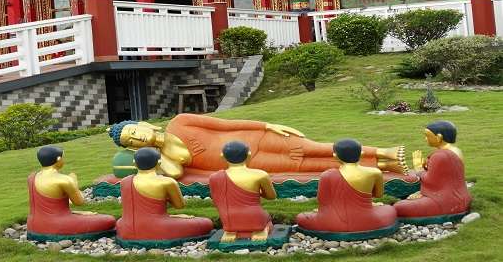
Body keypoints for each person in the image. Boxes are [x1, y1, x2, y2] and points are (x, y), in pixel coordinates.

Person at [107, 115, 408, 181]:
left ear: (145, 125)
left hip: (258, 140)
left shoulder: (181, 123)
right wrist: (153, 157)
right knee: (310, 166)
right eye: (131, 142)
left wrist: (266, 126)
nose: (138, 139)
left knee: (313, 148)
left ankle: (383, 151)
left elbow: (225, 124)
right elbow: (173, 173)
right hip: (249, 163)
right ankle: (382, 167)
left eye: (135, 132)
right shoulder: (164, 158)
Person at [295, 139, 398, 238]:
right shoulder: (374, 172)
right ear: (362, 153)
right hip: (367, 220)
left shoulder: (327, 175)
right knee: (390, 209)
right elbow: (378, 195)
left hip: (332, 223)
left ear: (335, 156)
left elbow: (322, 202)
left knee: (302, 217)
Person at [115, 147, 214, 244]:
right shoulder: (166, 182)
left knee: (114, 221)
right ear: (159, 163)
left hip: (125, 228)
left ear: (134, 163)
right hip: (157, 228)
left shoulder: (125, 181)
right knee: (206, 223)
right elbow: (179, 205)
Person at [27, 146, 116, 240]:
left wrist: (78, 213)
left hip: (33, 223)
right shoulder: (64, 180)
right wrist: (74, 183)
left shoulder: (32, 178)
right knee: (109, 220)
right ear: (59, 159)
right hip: (57, 224)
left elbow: (53, 208)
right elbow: (80, 202)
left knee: (89, 215)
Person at [394, 121, 471, 222]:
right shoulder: (456, 151)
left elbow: (431, 181)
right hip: (460, 195)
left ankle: (446, 212)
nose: (425, 139)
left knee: (398, 207)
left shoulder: (440, 156)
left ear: (439, 137)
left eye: (427, 136)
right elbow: (445, 176)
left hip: (445, 202)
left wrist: (418, 169)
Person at [209, 141, 276, 243]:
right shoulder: (260, 175)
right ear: (249, 155)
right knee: (266, 218)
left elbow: (216, 201)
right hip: (255, 218)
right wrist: (258, 192)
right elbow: (271, 196)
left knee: (233, 221)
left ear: (222, 156)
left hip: (229, 220)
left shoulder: (214, 177)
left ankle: (231, 232)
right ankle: (260, 230)